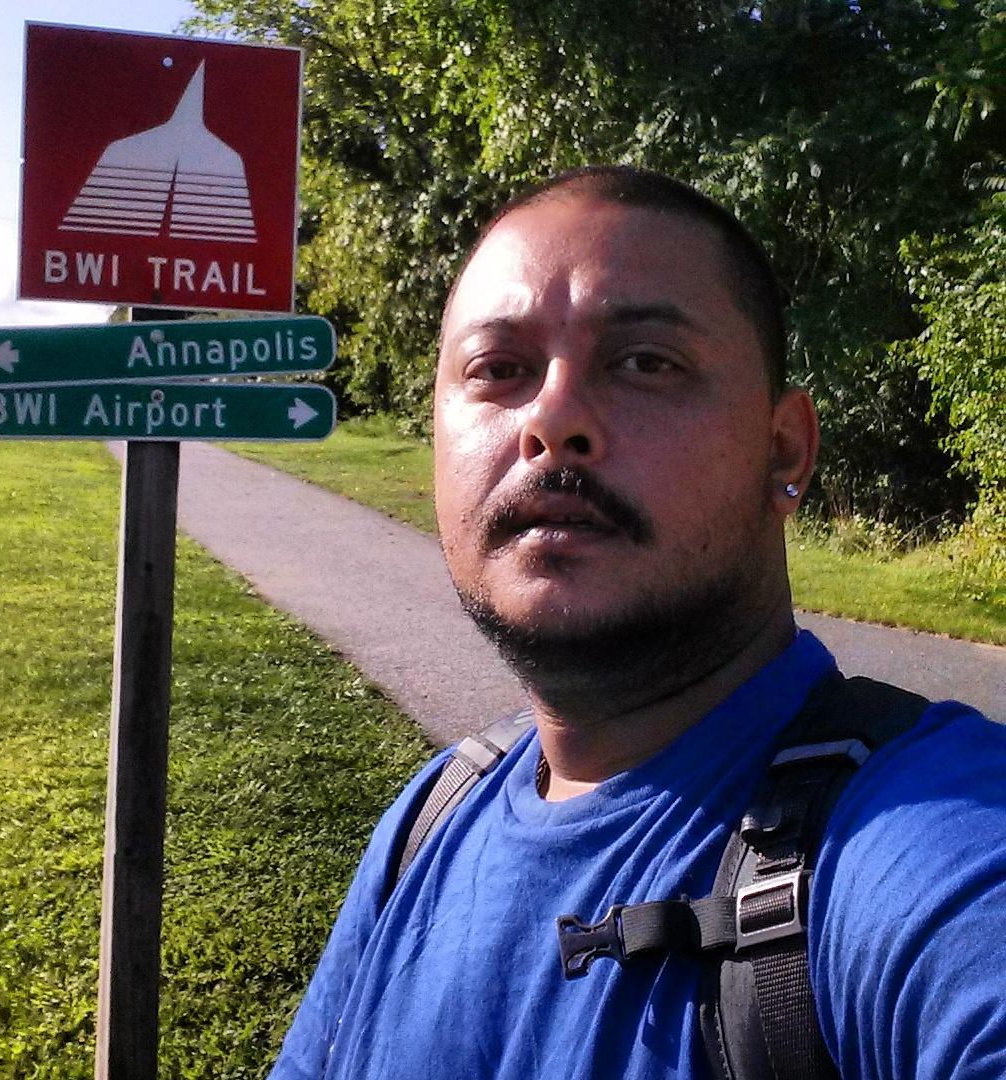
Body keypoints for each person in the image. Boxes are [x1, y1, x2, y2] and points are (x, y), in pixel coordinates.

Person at [269, 167, 1006, 1079]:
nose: (553, 417)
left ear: (784, 451)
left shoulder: (933, 846)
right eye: (498, 369)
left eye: (647, 363)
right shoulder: (424, 823)